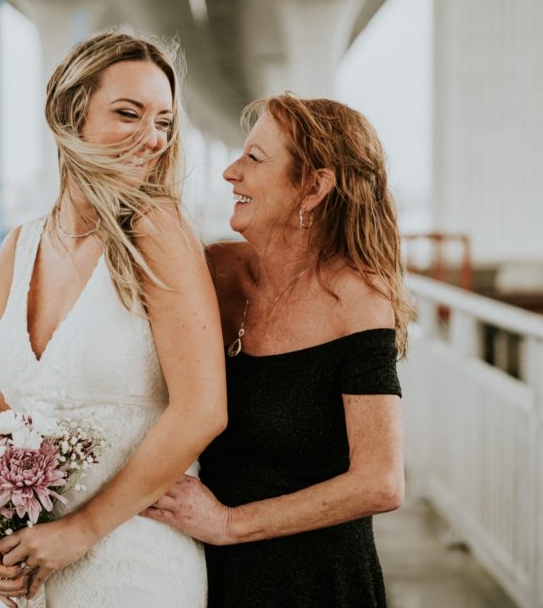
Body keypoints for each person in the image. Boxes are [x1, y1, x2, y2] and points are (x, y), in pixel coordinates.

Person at [0, 30, 227, 607]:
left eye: (163, 121)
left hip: (132, 563)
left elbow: (202, 410)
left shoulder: (156, 230)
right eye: (128, 114)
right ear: (69, 114)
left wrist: (80, 532)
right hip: (28, 572)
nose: (154, 138)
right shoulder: (20, 247)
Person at [143, 94, 409, 607]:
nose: (229, 172)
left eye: (254, 159)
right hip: (202, 573)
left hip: (314, 581)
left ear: (313, 187)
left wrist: (228, 523)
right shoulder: (216, 272)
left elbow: (381, 482)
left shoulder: (357, 300)